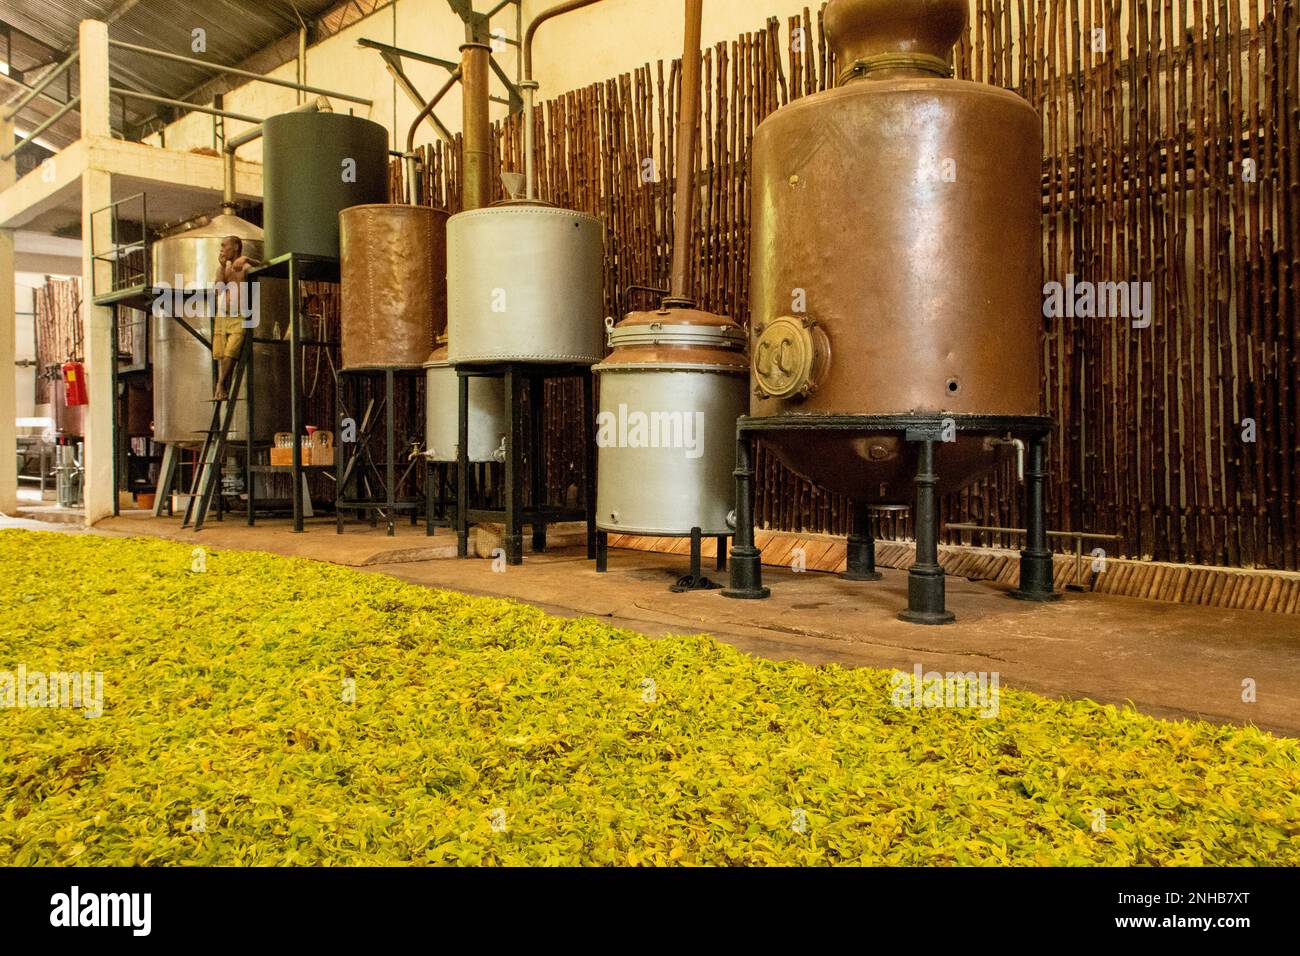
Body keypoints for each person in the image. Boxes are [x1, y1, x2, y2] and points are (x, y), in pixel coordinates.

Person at [212, 236, 255, 401]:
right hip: (223, 315)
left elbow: (264, 264)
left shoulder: (245, 265)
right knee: (221, 353)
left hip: (240, 315)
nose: (221, 249)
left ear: (236, 247)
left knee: (232, 351)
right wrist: (222, 268)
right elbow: (218, 290)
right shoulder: (223, 269)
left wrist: (247, 258)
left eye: (224, 246)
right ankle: (221, 388)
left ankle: (220, 384)